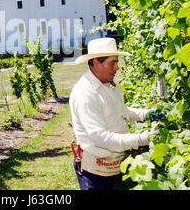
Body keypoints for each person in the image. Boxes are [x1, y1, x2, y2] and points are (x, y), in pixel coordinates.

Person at [69, 37, 164, 190]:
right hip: (95, 172)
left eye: (117, 62)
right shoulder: (85, 94)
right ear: (95, 63)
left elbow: (119, 111)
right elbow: (101, 138)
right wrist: (141, 139)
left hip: (116, 165)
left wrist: (144, 115)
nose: (117, 68)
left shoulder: (109, 84)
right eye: (112, 63)